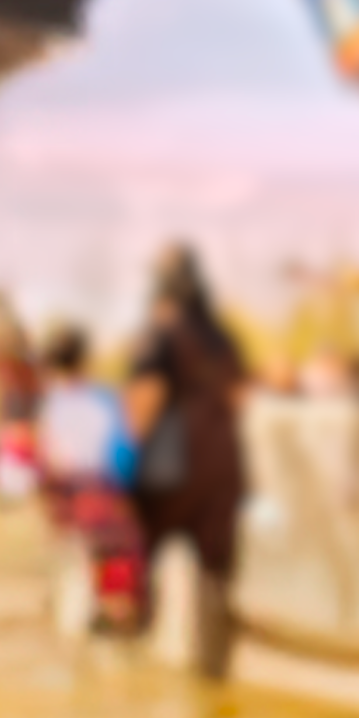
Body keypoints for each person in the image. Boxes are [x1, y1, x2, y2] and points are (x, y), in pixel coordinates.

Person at [125, 244, 251, 682]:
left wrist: (125, 454)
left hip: (168, 468)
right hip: (223, 469)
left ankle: (138, 650)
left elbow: (146, 399)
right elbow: (241, 399)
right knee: (215, 571)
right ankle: (214, 667)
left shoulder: (160, 336)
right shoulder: (223, 338)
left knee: (141, 552)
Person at [34, 323, 143, 639]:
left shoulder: (50, 404)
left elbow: (46, 457)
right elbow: (124, 450)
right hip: (103, 492)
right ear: (85, 360)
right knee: (115, 563)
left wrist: (49, 500)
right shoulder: (106, 399)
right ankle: (117, 619)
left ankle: (83, 623)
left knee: (75, 568)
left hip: (66, 494)